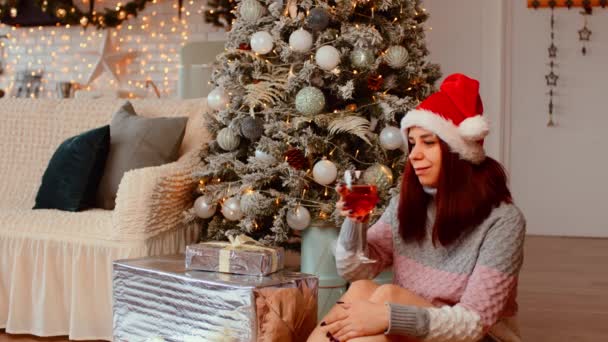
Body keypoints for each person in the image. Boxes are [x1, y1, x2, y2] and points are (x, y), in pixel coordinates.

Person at [307, 73, 526, 342]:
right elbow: (355, 271)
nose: (414, 154)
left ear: (458, 150)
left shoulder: (503, 220)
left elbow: (473, 323)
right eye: (412, 143)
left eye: (429, 142)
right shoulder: (408, 203)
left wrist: (388, 317)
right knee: (364, 288)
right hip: (412, 326)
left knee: (387, 298)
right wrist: (356, 222)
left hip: (476, 335)